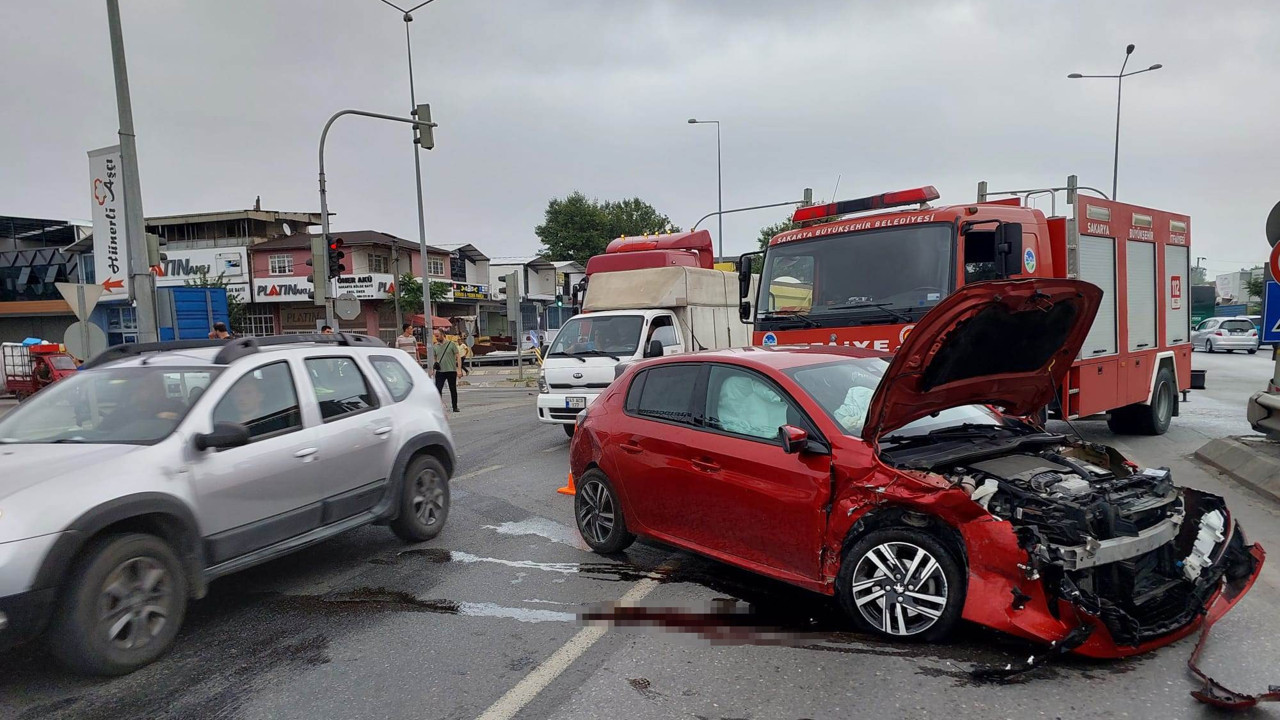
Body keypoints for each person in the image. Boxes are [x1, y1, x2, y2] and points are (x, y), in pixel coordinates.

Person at [432, 328, 461, 412]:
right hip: (440, 371)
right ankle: (439, 406)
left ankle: (455, 406)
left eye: (437, 336)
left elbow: (458, 356)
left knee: (452, 389)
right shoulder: (435, 346)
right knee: (438, 389)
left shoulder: (451, 344)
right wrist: (433, 368)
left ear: (442, 334)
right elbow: (434, 357)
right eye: (435, 336)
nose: (436, 337)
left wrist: (459, 369)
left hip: (451, 370)